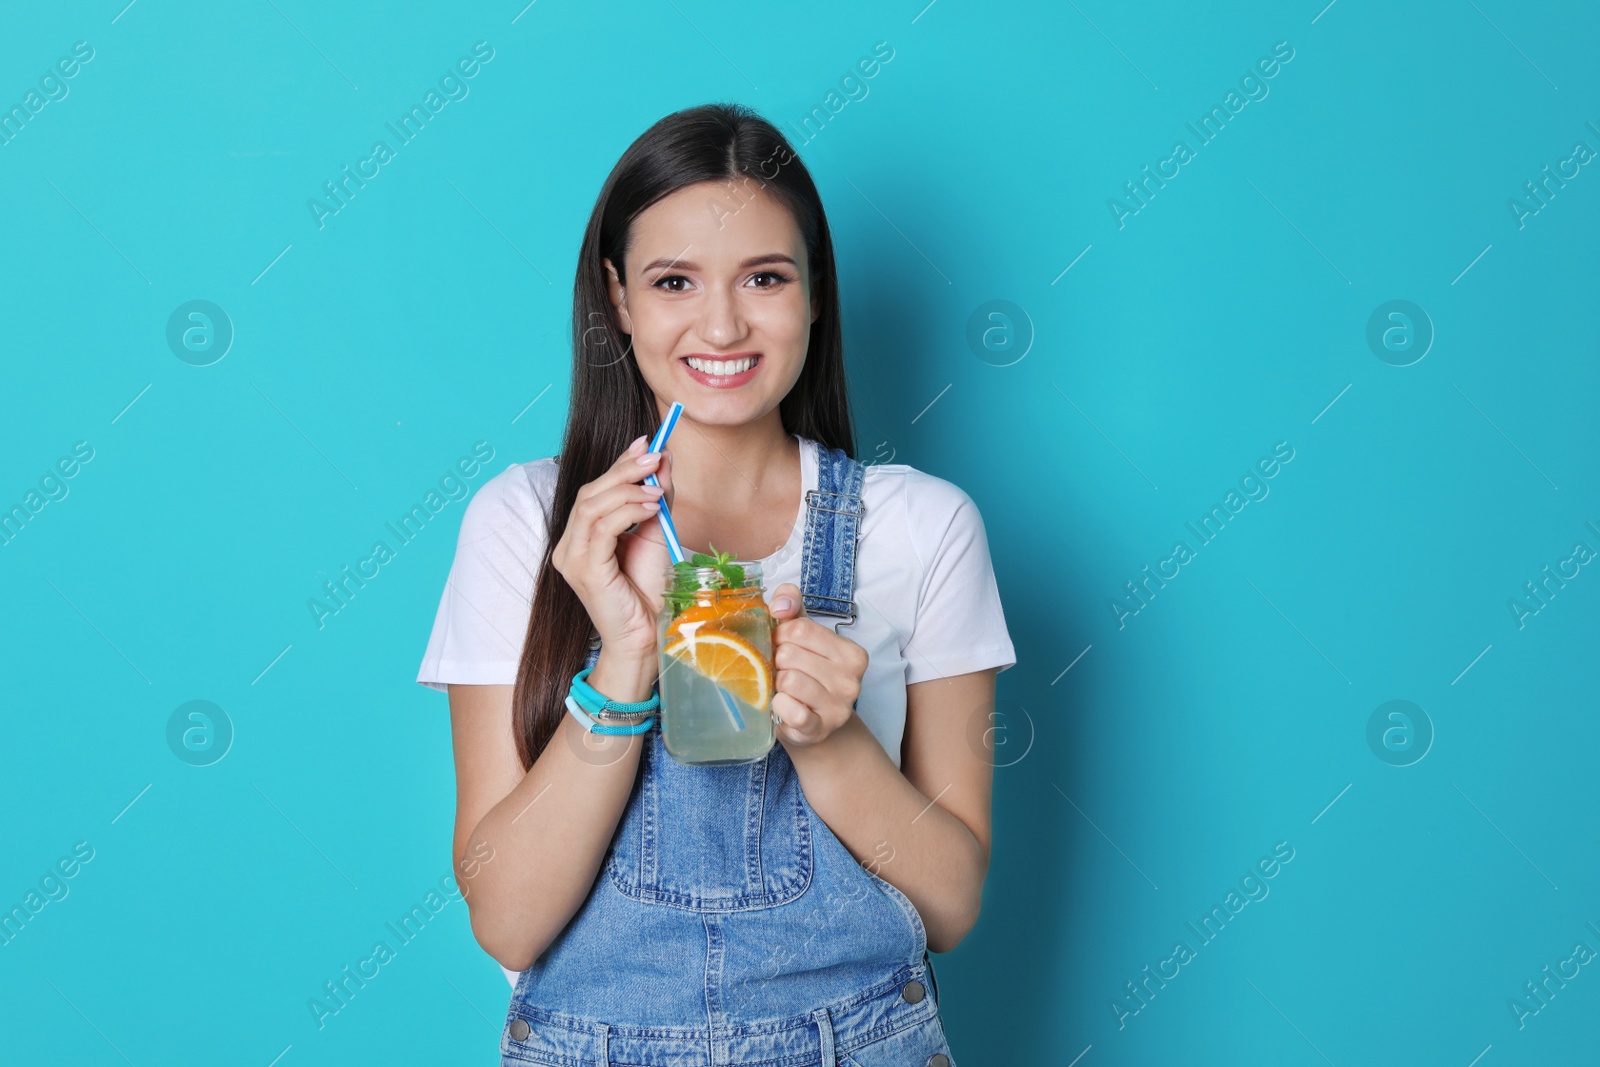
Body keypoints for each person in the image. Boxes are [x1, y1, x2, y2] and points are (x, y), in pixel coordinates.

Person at [416, 101, 1015, 1066]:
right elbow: (508, 921)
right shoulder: (526, 525)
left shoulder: (922, 527)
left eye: (766, 277)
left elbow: (950, 903)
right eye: (674, 280)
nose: (723, 323)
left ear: (816, 293)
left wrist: (830, 742)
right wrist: (624, 657)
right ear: (617, 299)